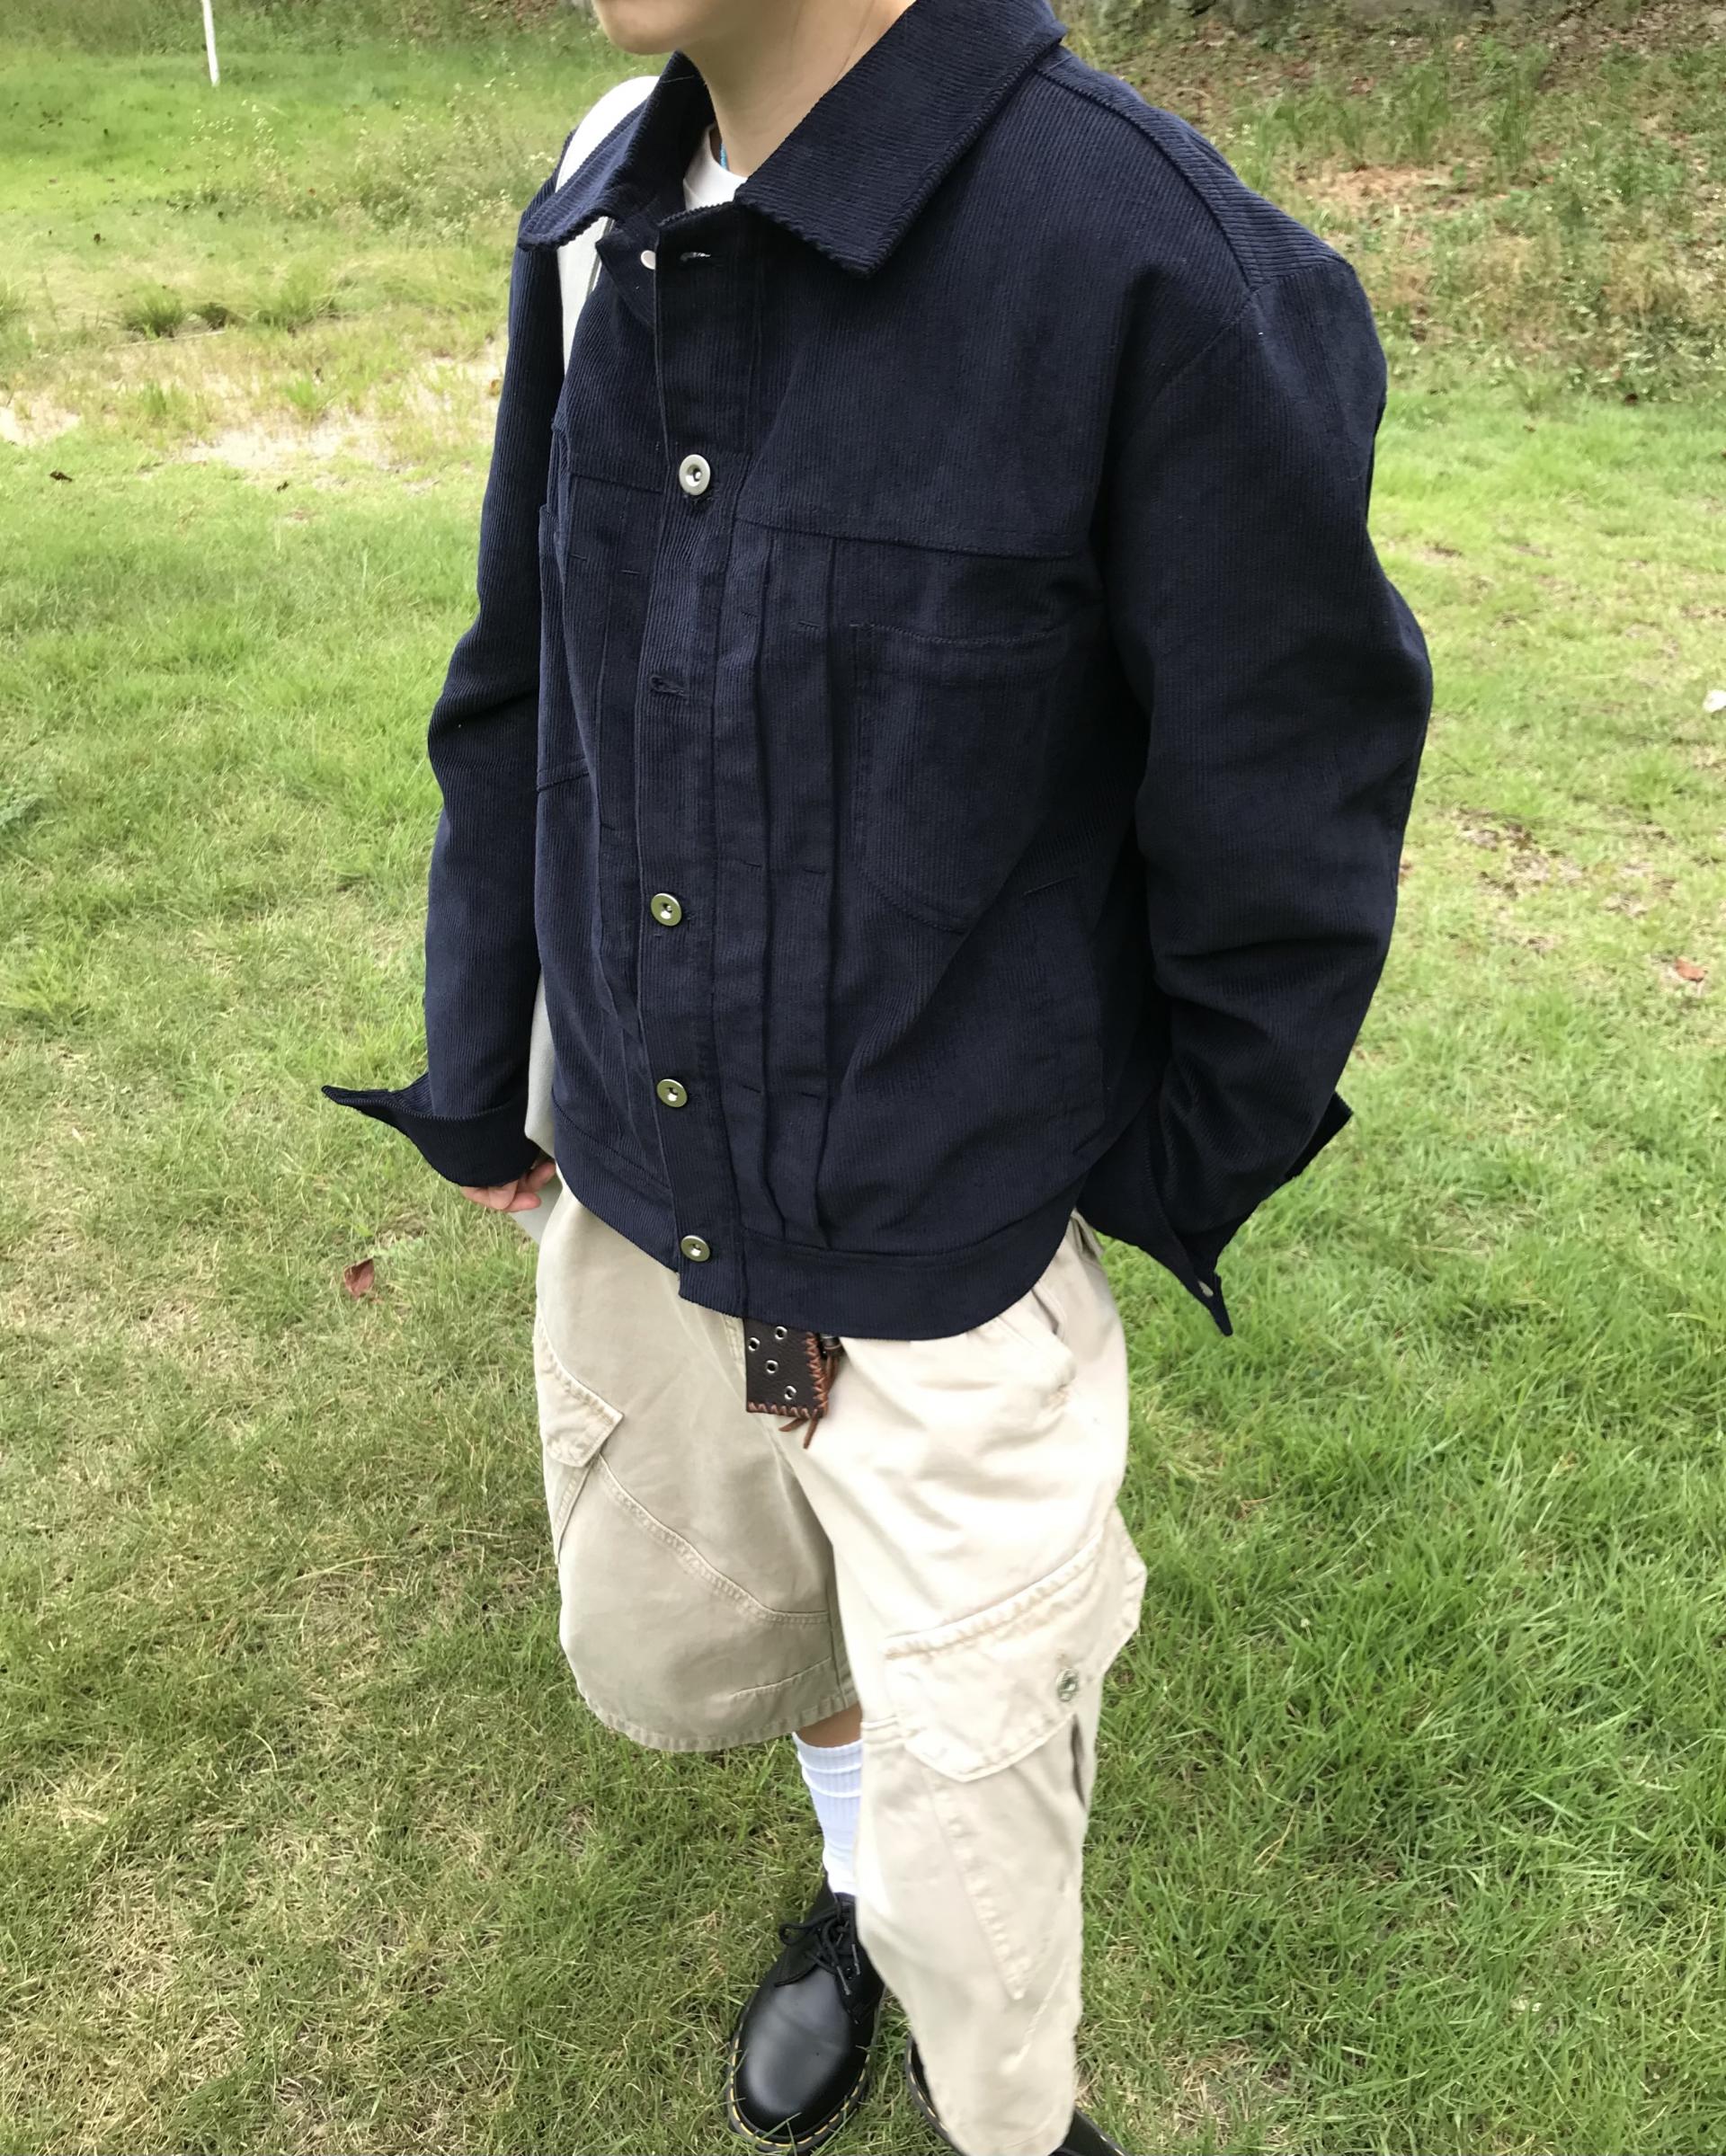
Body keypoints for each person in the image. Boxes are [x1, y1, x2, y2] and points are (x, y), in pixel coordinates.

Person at [323, 0, 1434, 2149]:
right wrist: (491, 1064)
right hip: (642, 1190)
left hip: (951, 1266)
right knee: (748, 1622)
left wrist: (1100, 1164)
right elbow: (526, 674)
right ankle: (844, 1886)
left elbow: (1287, 828)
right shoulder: (601, 207)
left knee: (984, 1780)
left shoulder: (1150, 265)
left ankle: (1012, 2108)